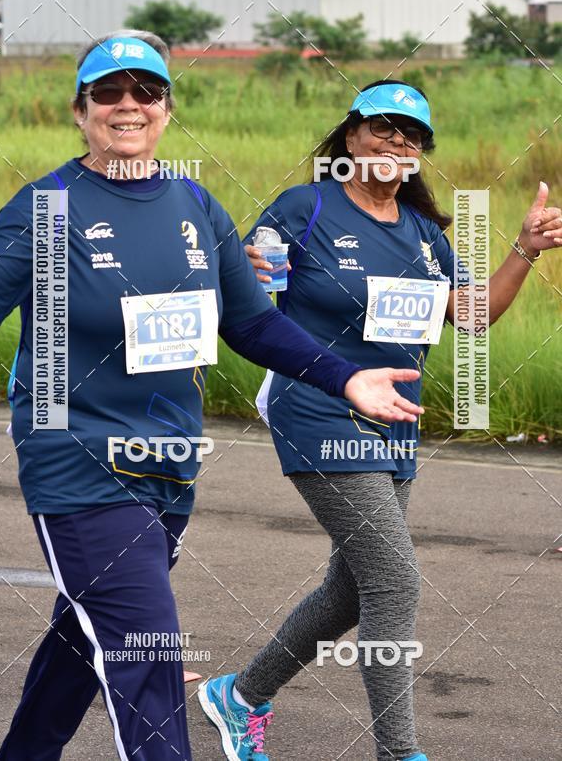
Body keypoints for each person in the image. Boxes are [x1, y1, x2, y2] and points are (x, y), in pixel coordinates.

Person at [0, 38, 426, 761]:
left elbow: (251, 322)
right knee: (147, 647)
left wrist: (344, 376)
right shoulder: (49, 208)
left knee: (81, 639)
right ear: (79, 111)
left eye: (144, 91)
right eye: (107, 92)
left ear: (166, 109)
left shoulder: (194, 203)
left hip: (170, 464)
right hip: (77, 457)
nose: (127, 105)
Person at [198, 79, 562, 761]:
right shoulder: (306, 206)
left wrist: (525, 248)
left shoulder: (423, 232)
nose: (396, 142)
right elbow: (256, 302)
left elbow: (473, 314)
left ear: (421, 151)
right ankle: (399, 751)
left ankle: (239, 695)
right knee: (395, 580)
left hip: (395, 419)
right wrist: (250, 269)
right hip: (316, 408)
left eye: (411, 134)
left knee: (349, 589)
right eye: (382, 128)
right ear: (351, 136)